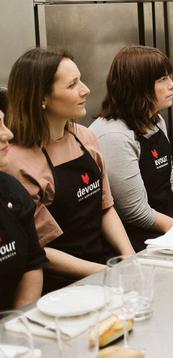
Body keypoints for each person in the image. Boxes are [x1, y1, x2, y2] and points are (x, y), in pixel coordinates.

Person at [2, 48, 134, 293]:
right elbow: (38, 249)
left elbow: (105, 208)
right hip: (62, 285)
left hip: (104, 264)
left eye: (80, 80)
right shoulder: (16, 162)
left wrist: (129, 257)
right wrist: (104, 272)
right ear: (42, 97)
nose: (86, 89)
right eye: (73, 85)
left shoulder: (85, 137)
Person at [90, 46, 173, 251]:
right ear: (138, 86)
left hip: (171, 229)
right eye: (162, 79)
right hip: (141, 241)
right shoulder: (115, 136)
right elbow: (136, 212)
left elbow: (170, 181)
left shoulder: (155, 120)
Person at [0, 88, 48, 309]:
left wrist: (19, 323)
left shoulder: (10, 188)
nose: (7, 133)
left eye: (4, 123)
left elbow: (32, 261)